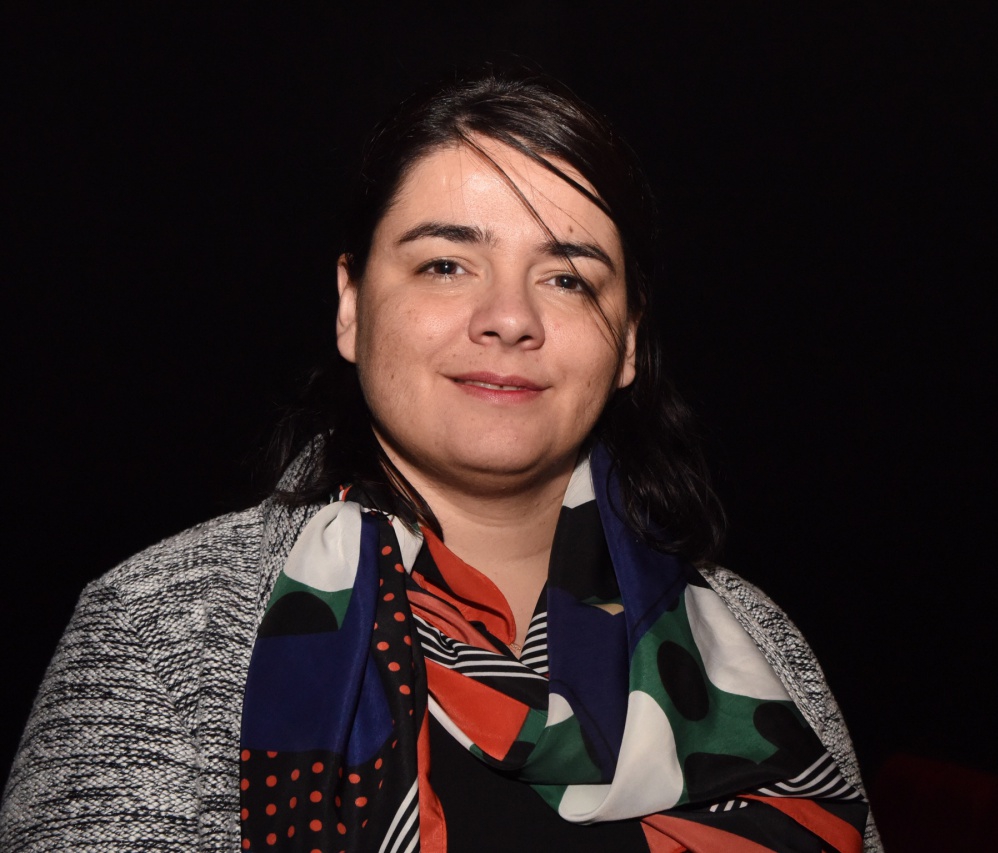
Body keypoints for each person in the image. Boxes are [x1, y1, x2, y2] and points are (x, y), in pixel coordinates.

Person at [0, 71, 882, 852]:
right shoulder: (164, 624)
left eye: (567, 277)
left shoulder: (756, 642)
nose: (509, 318)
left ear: (626, 345)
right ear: (351, 304)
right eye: (447, 264)